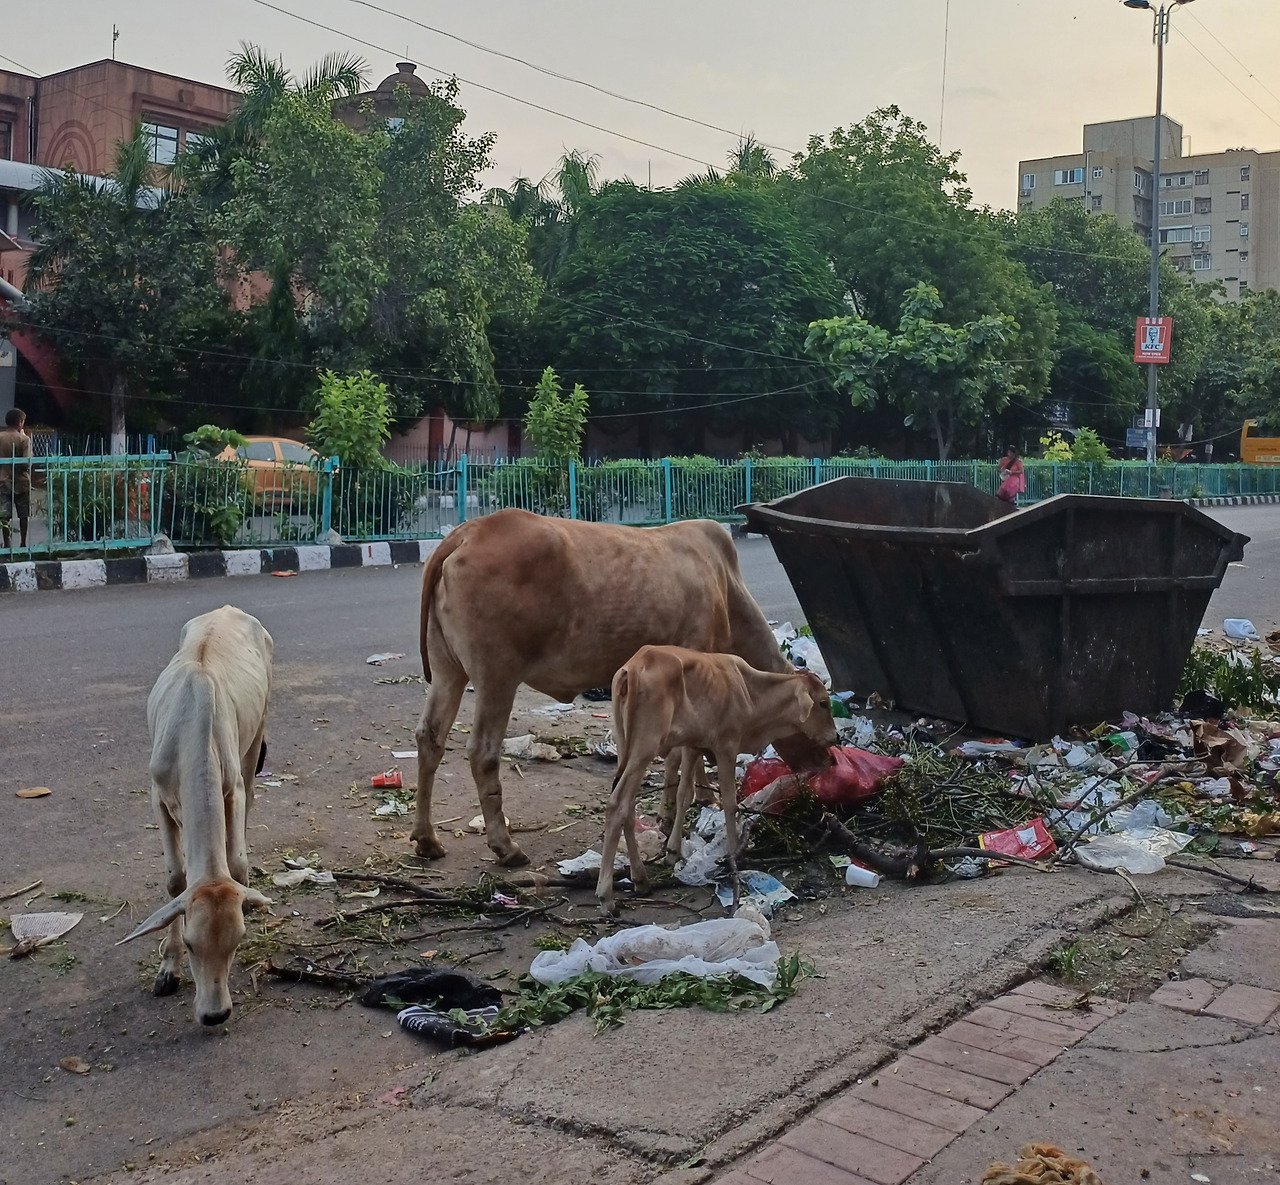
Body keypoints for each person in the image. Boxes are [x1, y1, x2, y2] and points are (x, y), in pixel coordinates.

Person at [0, 407, 33, 549]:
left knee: (4, 515)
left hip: (3, 480)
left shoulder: (0, 437)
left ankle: (7, 543)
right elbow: (27, 462)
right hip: (21, 482)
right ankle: (23, 543)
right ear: (20, 422)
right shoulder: (24, 439)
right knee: (23, 514)